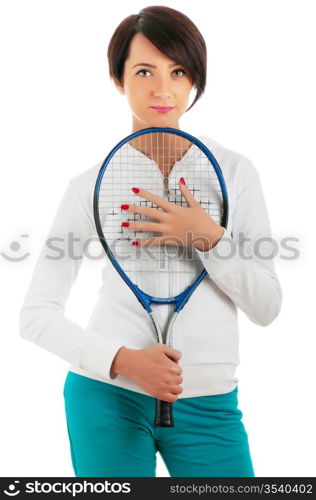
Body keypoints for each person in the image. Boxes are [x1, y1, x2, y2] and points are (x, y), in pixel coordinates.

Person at [19, 6, 282, 477]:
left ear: (194, 80)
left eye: (178, 71)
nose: (163, 89)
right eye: (145, 71)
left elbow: (267, 307)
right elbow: (36, 315)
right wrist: (120, 361)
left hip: (210, 407)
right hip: (106, 397)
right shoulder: (89, 185)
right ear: (118, 79)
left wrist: (208, 237)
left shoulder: (234, 172)